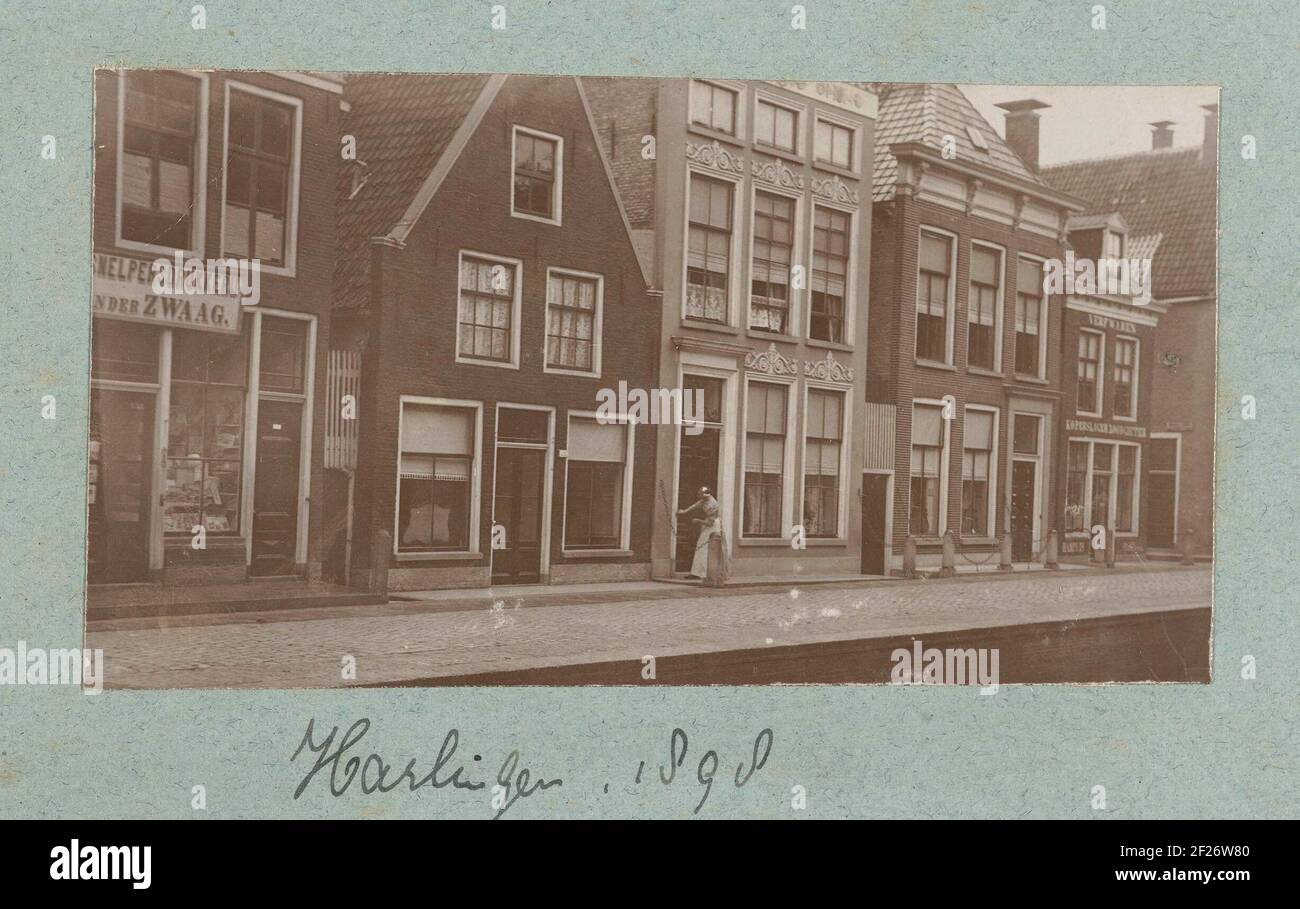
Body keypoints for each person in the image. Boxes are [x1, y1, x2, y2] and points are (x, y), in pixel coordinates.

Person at [677, 486, 720, 580]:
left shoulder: (713, 505)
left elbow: (710, 522)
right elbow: (695, 505)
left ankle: (703, 573)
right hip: (707, 524)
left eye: (701, 495)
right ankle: (697, 572)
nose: (699, 497)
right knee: (700, 547)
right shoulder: (704, 500)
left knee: (704, 548)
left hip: (712, 527)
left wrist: (698, 521)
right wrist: (684, 512)